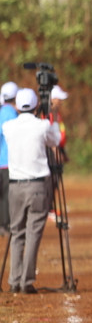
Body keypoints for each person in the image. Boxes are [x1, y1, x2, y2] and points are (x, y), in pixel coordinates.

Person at [2, 89, 61, 293]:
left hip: (15, 187)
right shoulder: (42, 125)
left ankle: (14, 280)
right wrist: (51, 117)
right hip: (37, 186)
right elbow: (55, 140)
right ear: (36, 106)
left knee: (16, 232)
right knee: (33, 233)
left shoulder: (8, 127)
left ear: (17, 107)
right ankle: (26, 281)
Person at [0, 81, 19, 236]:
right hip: (7, 161)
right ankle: (5, 225)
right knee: (7, 195)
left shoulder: (1, 112)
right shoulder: (12, 114)